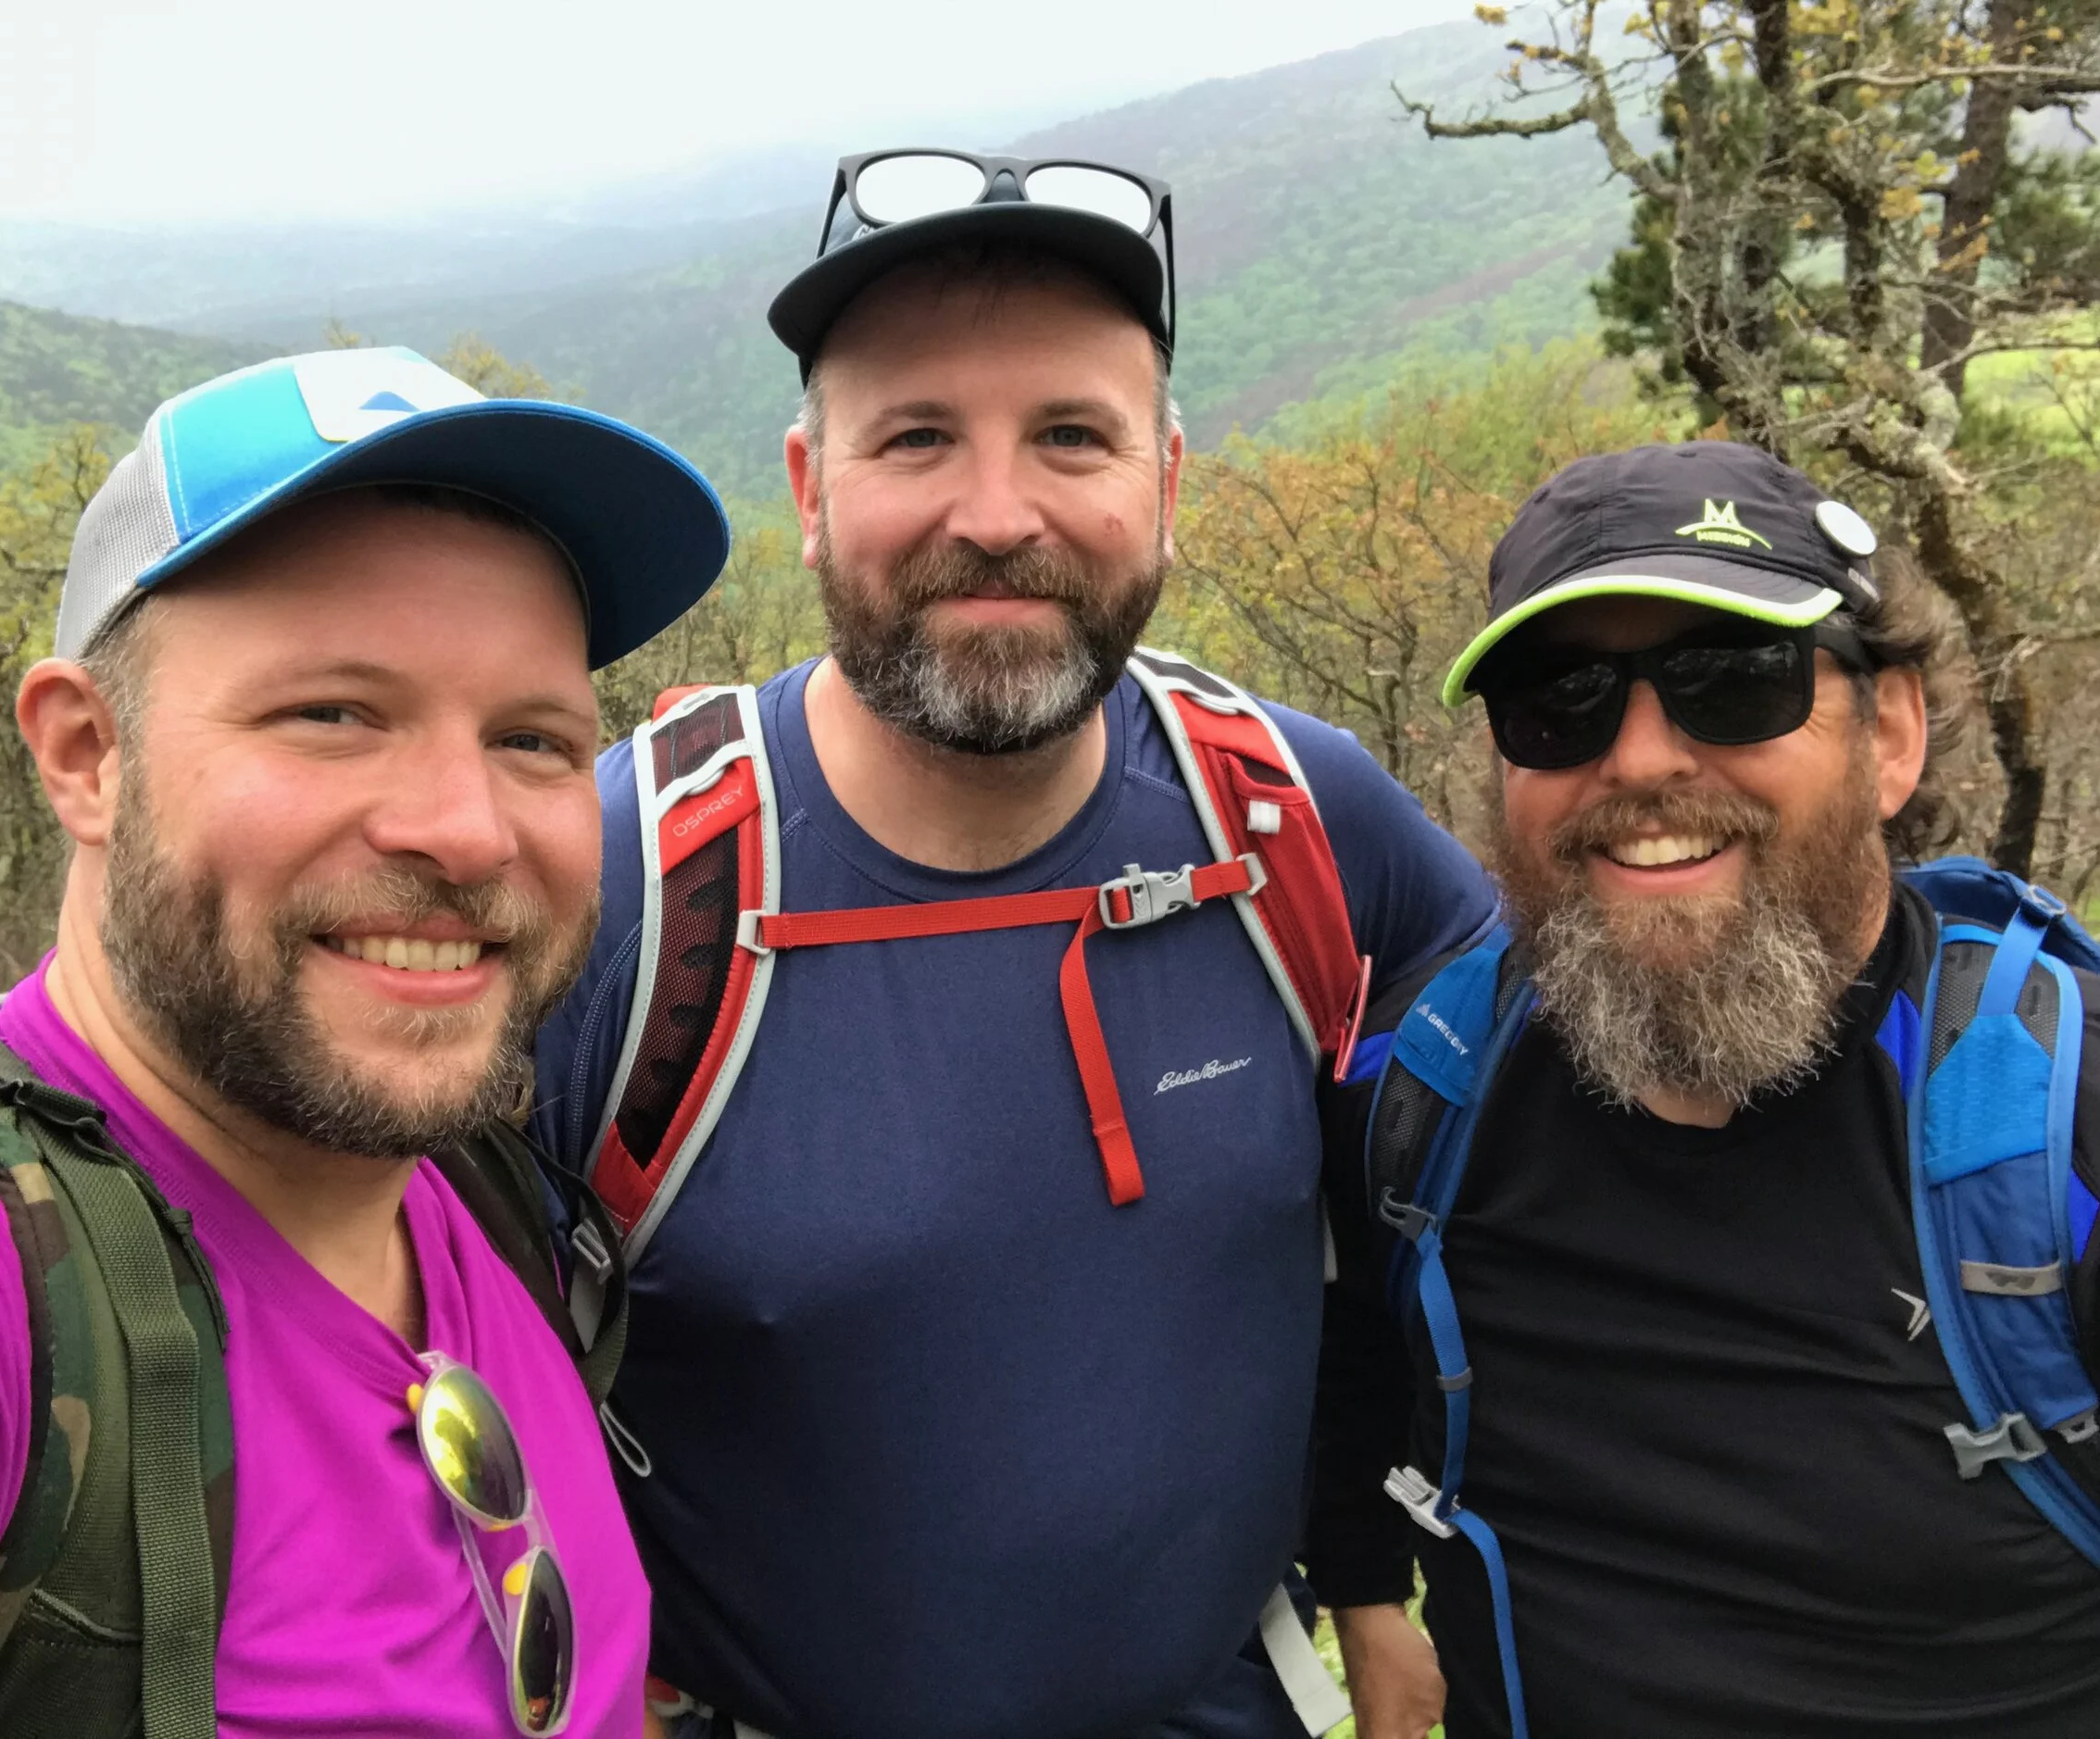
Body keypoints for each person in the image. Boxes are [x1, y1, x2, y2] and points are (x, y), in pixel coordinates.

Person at [531, 150, 1493, 1739]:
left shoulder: (1295, 828)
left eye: (1070, 436)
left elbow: (1433, 1225)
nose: (997, 514)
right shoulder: (621, 890)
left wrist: (1372, 1571)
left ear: (1167, 480)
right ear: (808, 485)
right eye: (917, 436)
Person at [0, 345, 731, 1739]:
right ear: (85, 753)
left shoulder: (472, 1172)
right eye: (335, 714)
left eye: (534, 739)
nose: (465, 829)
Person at [1317, 439, 2100, 1737]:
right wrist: (1361, 1587)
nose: (1637, 760)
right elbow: (1346, 1359)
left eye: (1731, 680)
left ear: (1891, 731)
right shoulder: (1420, 1098)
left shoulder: (2058, 1138)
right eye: (1558, 700)